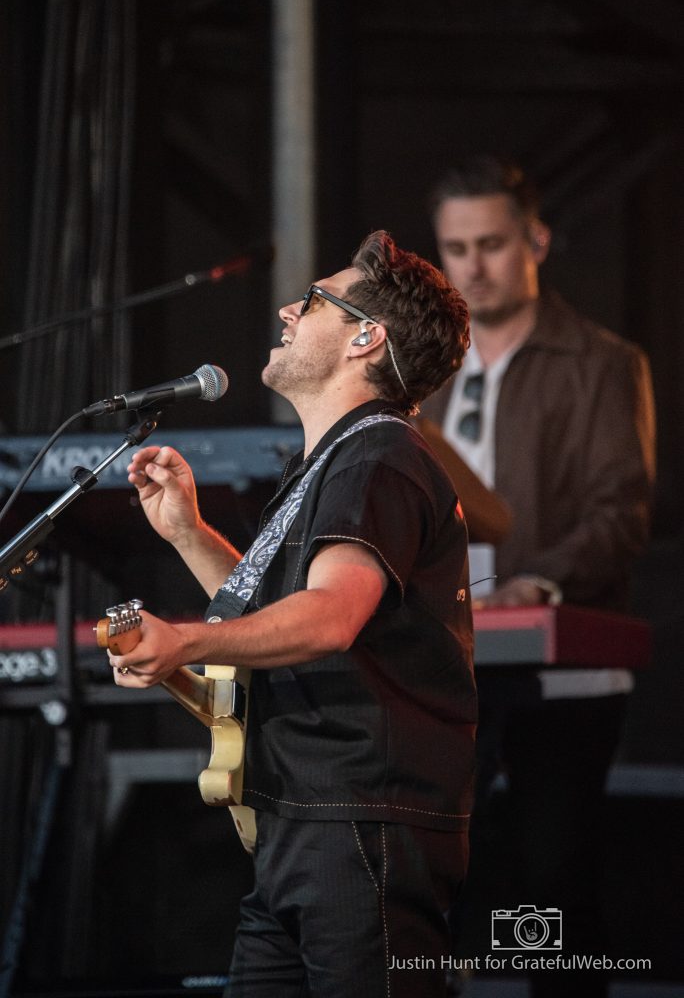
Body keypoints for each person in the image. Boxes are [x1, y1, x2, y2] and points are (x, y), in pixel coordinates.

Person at [109, 230, 476, 998]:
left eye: (312, 300)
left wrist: (185, 641)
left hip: (358, 825)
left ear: (366, 338)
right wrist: (189, 534)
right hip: (306, 825)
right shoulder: (337, 460)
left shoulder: (379, 457)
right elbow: (282, 612)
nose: (287, 310)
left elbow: (331, 616)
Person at [423, 156, 656, 997]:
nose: (473, 267)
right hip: (450, 662)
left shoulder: (602, 360)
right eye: (456, 249)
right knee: (430, 874)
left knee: (552, 882)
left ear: (538, 241)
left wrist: (540, 585)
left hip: (563, 669)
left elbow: (620, 513)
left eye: (491, 244)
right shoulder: (425, 372)